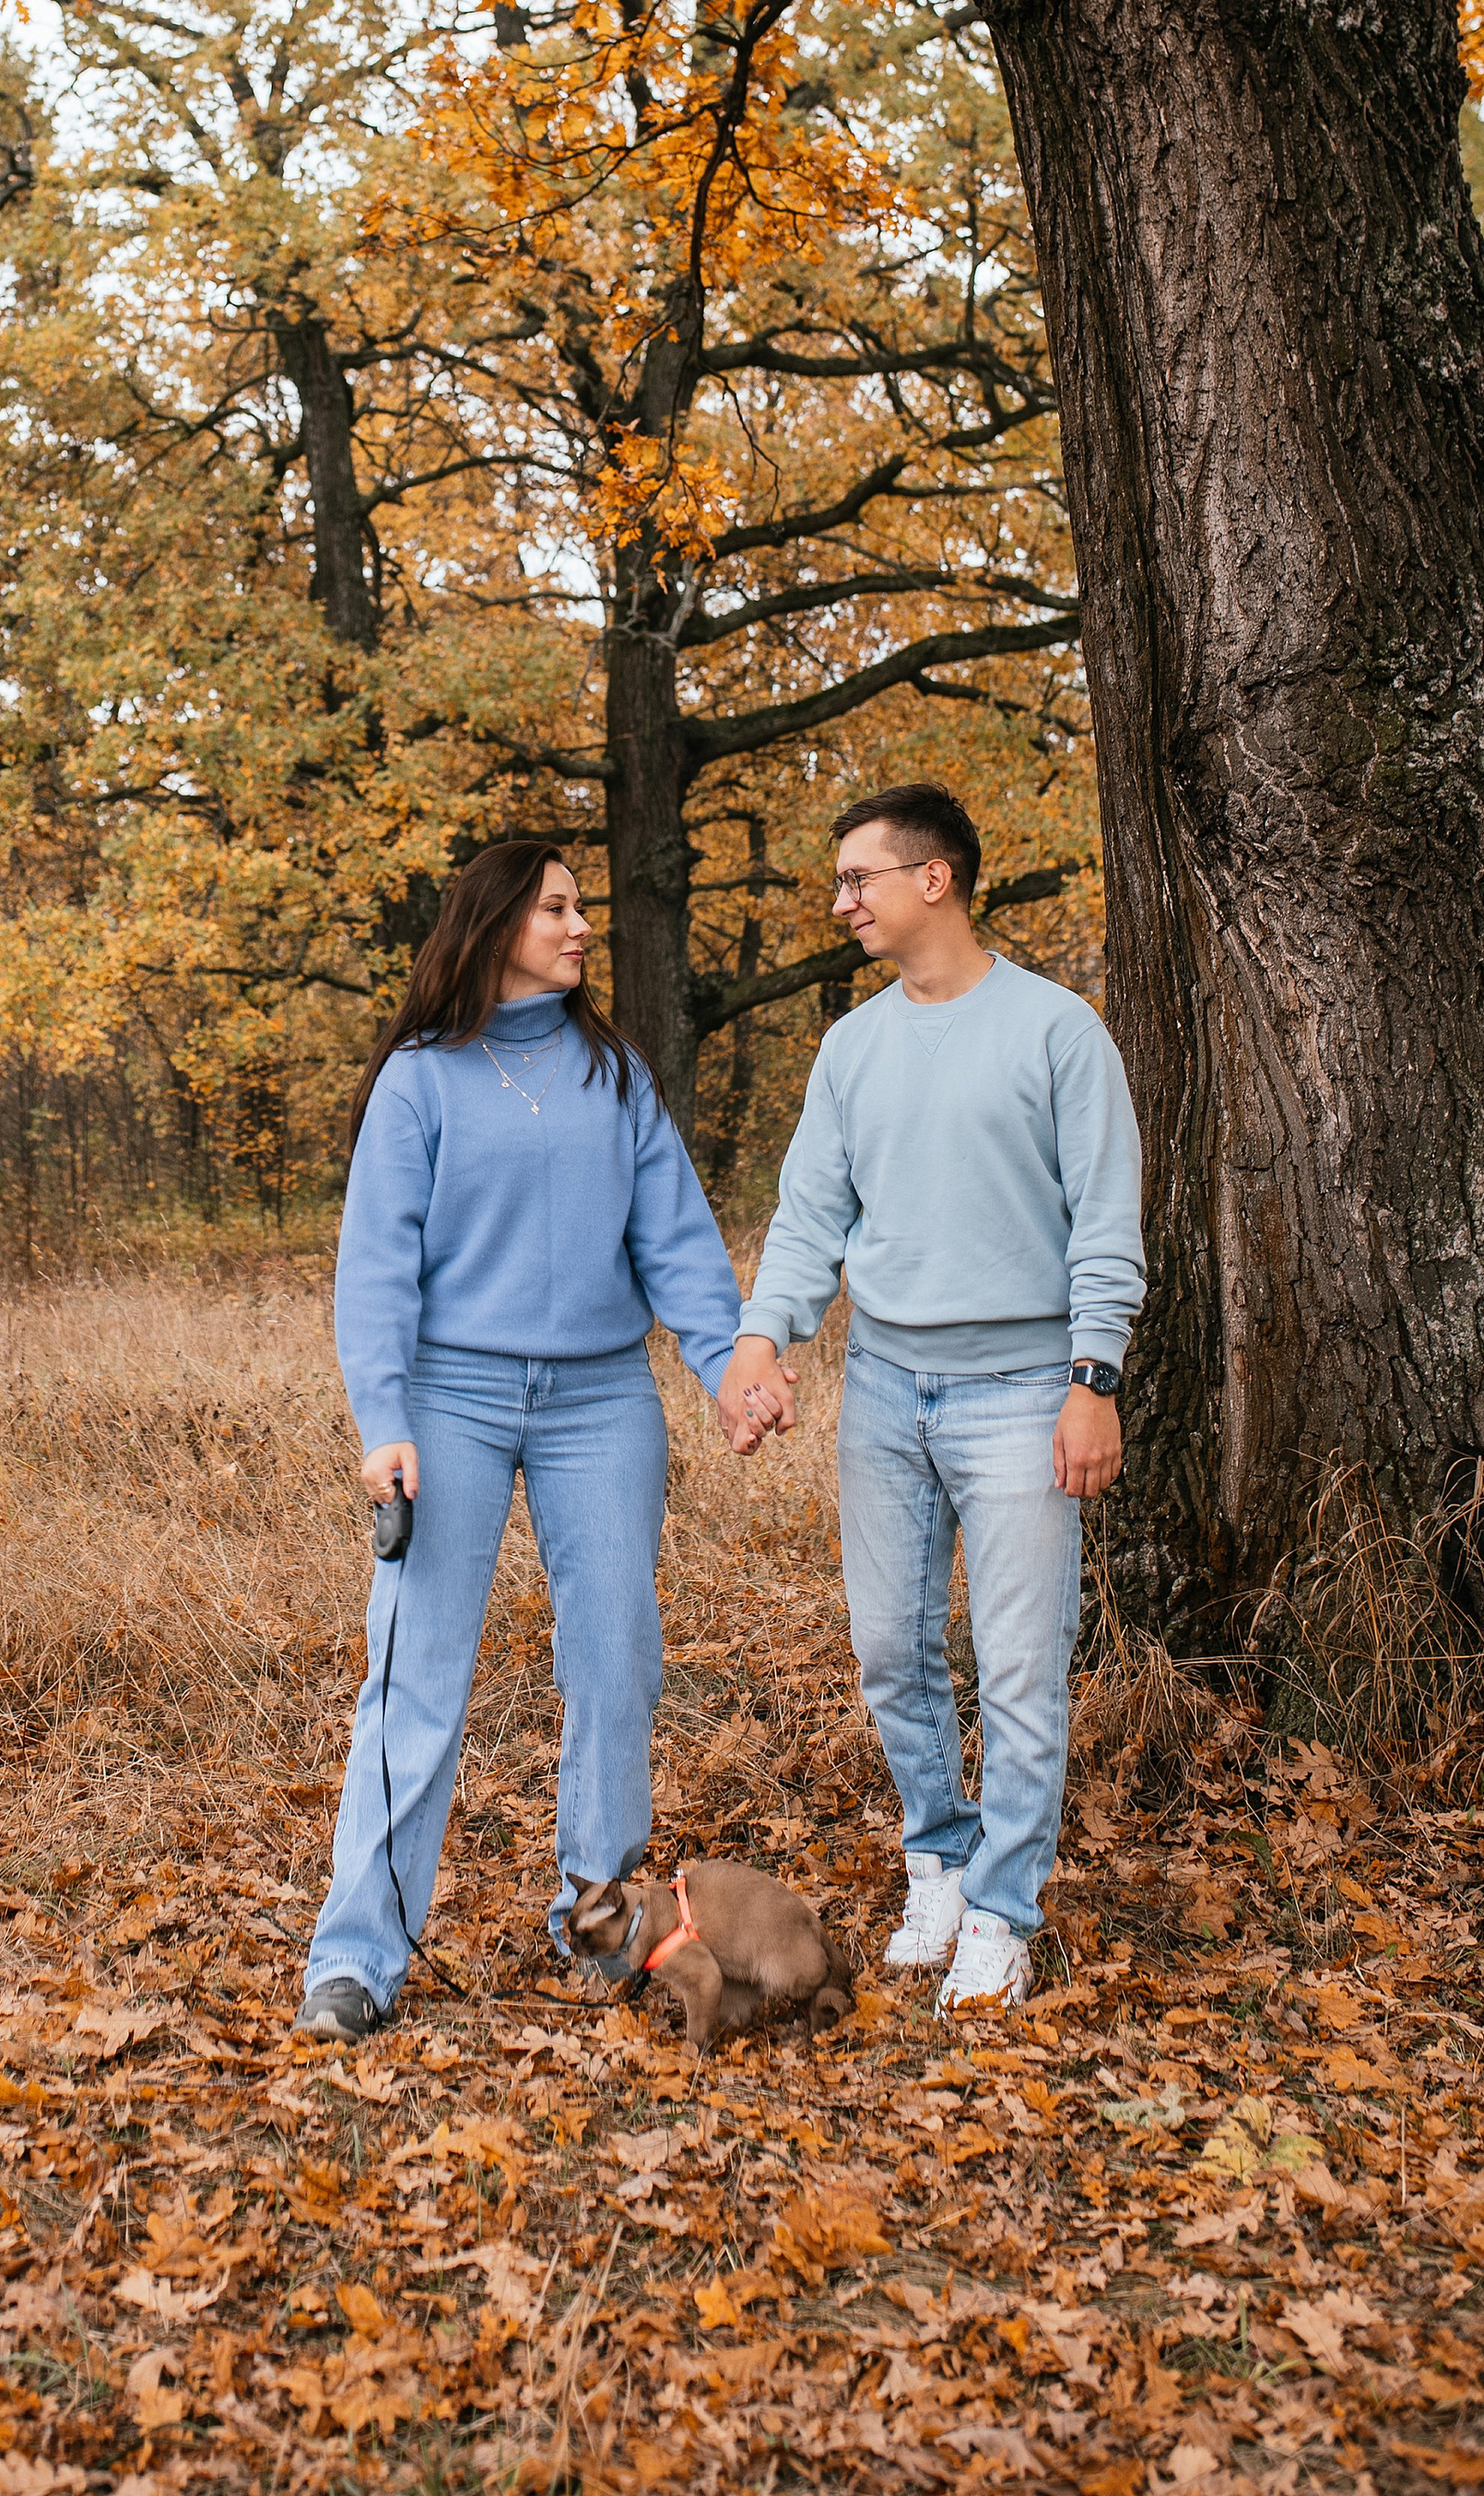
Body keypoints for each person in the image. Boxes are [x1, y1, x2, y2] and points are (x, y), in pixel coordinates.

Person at [297, 839, 744, 2043]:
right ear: (495, 926)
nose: (582, 924)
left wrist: (725, 1364)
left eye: (585, 904)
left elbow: (678, 1240)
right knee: (417, 1677)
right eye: (557, 907)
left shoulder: (614, 1074)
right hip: (452, 1398)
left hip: (604, 1403)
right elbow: (377, 1268)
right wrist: (382, 1422)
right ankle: (357, 1957)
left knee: (616, 1664)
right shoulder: (421, 1081)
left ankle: (598, 1933)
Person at [721, 783, 1141, 2014]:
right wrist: (762, 1336)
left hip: (1024, 1390)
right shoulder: (853, 1047)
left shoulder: (1060, 1034)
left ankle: (1006, 1909)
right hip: (889, 1387)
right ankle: (942, 1863)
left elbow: (1106, 1229)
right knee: (894, 1652)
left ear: (935, 880)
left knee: (1019, 1665)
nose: (842, 900)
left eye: (860, 879)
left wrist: (1092, 1382)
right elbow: (810, 1220)